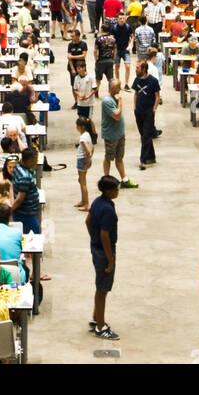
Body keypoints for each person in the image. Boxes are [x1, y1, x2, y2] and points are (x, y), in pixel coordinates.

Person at [86, 174, 121, 342]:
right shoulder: (107, 209)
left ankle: (95, 317)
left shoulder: (98, 202)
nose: (118, 191)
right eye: (115, 189)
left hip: (96, 247)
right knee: (102, 290)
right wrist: (110, 259)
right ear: (108, 191)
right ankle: (100, 327)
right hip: (104, 252)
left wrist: (93, 239)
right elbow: (105, 236)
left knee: (100, 286)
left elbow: (88, 221)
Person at [100, 77, 137, 188]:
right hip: (111, 135)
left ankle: (124, 179)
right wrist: (120, 102)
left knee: (119, 157)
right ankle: (105, 179)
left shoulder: (115, 97)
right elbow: (116, 116)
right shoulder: (107, 101)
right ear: (112, 88)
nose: (120, 89)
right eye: (118, 87)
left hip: (119, 133)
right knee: (108, 157)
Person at [131, 58, 160, 170]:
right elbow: (136, 93)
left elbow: (157, 95)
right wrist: (134, 107)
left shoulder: (153, 81)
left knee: (146, 137)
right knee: (144, 135)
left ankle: (142, 160)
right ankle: (151, 157)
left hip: (149, 112)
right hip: (138, 112)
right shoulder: (137, 80)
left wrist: (154, 109)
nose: (136, 70)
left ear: (144, 69)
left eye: (137, 68)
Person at [10, 146, 41, 235]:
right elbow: (20, 198)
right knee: (35, 236)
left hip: (21, 211)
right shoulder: (25, 176)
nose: (36, 163)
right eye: (34, 161)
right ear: (29, 160)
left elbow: (12, 185)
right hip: (26, 213)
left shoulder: (17, 167)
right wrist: (11, 210)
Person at [76, 115, 96, 209]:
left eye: (77, 126)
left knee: (83, 182)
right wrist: (90, 158)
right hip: (86, 159)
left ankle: (86, 204)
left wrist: (87, 161)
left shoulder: (83, 137)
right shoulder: (88, 134)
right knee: (80, 180)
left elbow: (88, 150)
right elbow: (92, 149)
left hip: (82, 160)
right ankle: (83, 200)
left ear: (82, 127)